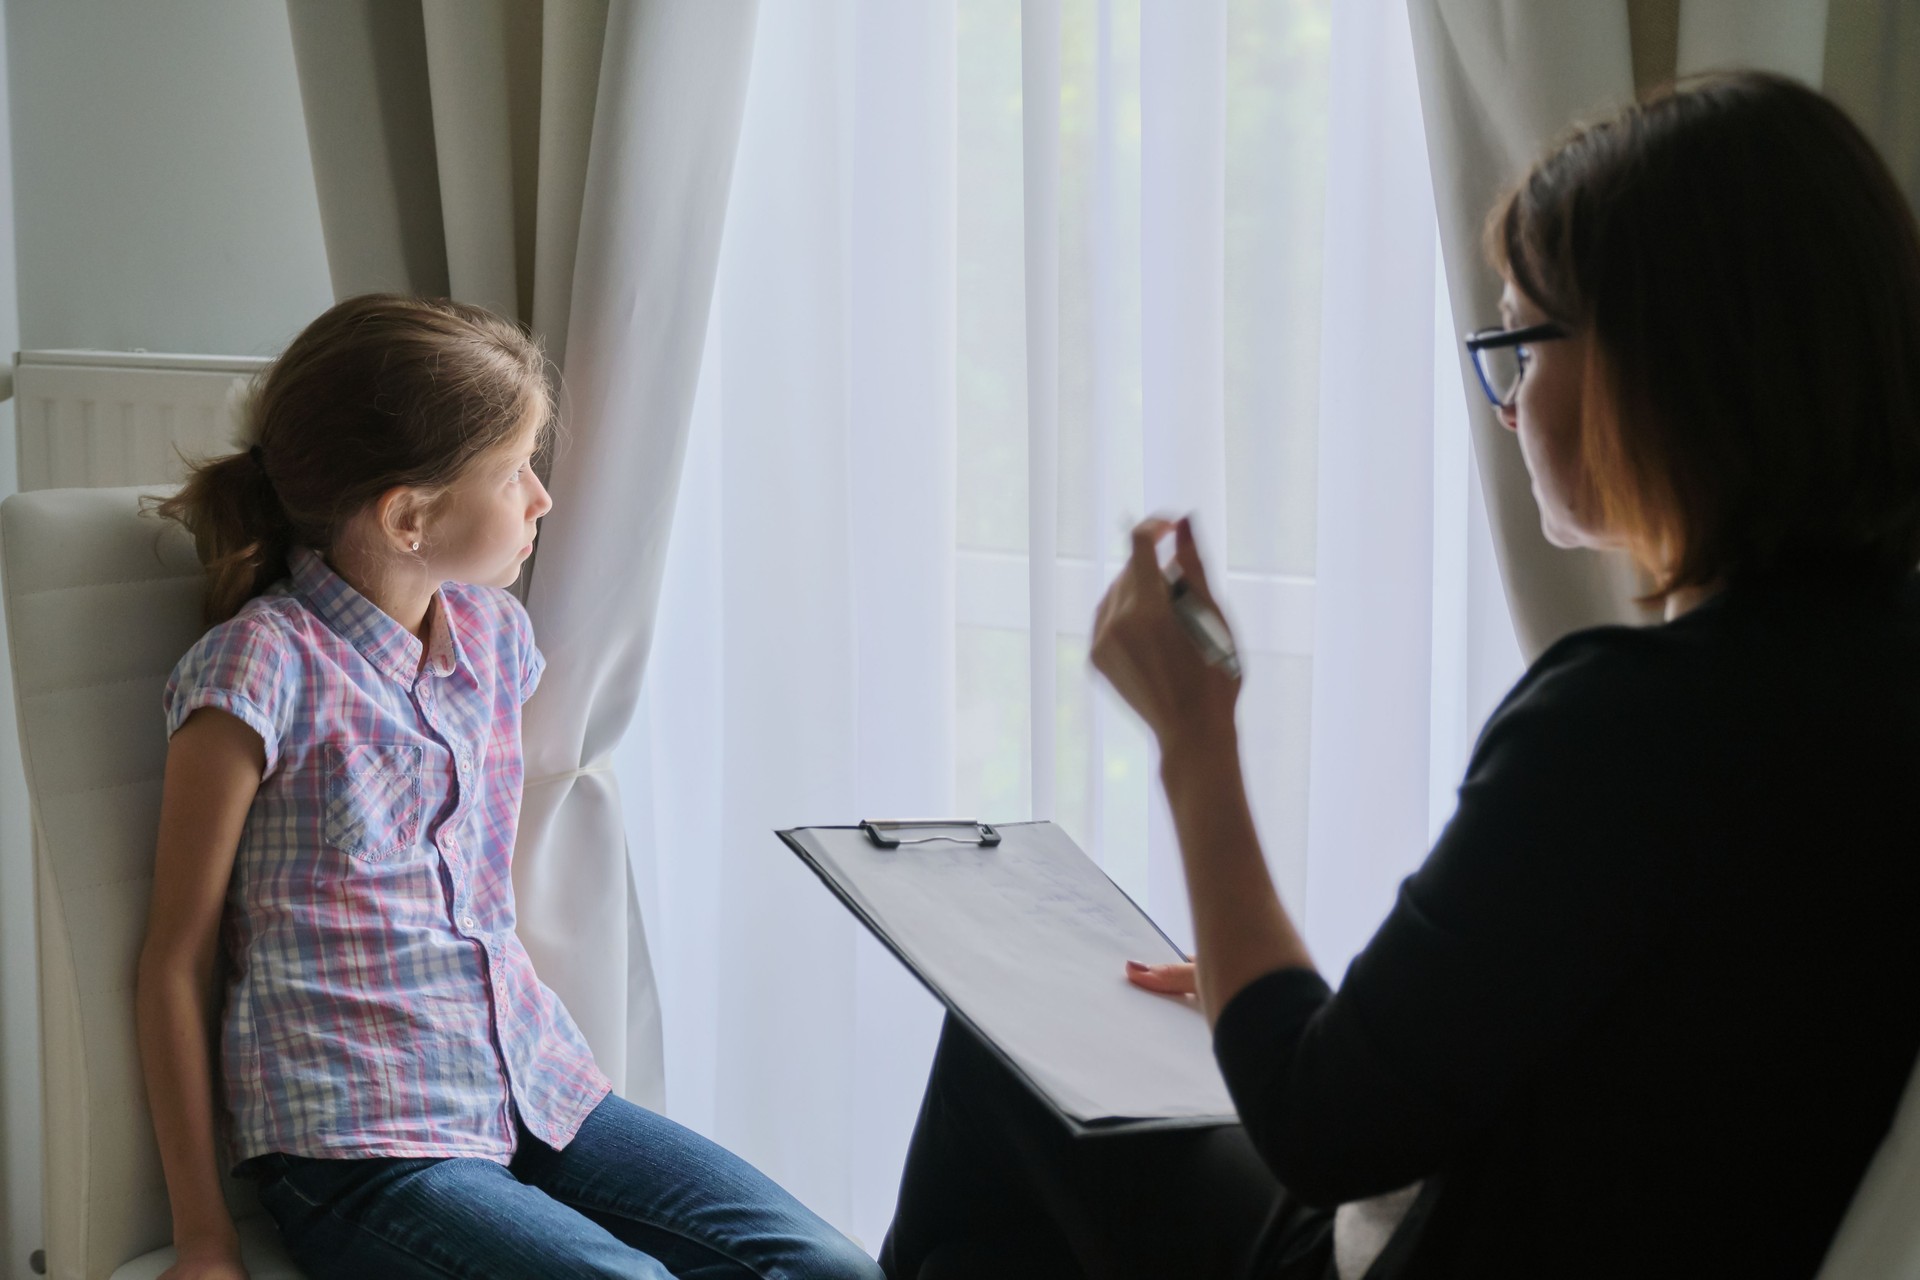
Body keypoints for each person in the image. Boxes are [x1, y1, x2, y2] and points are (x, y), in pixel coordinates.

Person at [879, 70, 1920, 1280]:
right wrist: (1263, 994)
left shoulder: (1629, 719)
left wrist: (1194, 737)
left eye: (1523, 337)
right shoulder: (1874, 678)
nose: (1510, 399)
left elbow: (1325, 1127)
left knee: (1002, 1060)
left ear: (1667, 362)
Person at [135, 294, 884, 1280]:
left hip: (533, 1085)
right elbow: (172, 962)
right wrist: (204, 1235)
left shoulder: (495, 640)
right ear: (408, 515)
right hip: (363, 1146)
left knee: (828, 1266)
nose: (541, 498)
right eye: (514, 471)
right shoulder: (259, 669)